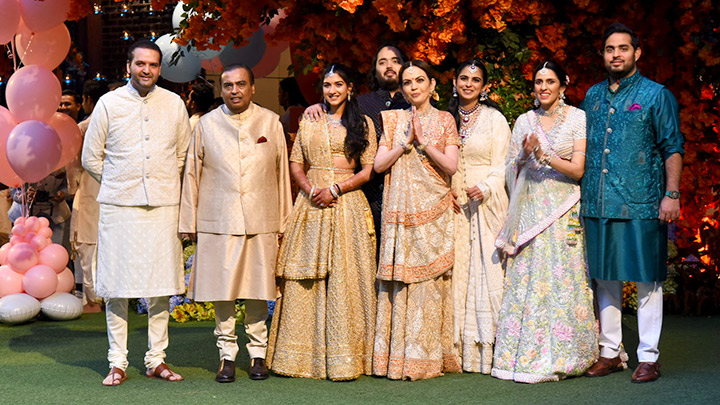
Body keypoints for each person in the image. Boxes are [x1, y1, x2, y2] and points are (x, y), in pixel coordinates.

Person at [82, 39, 191, 386]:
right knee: (117, 288)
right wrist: (120, 182)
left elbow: (182, 155)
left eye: (153, 65)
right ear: (128, 66)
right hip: (119, 206)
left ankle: (156, 359)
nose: (147, 70)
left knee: (160, 288)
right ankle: (117, 361)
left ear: (160, 69)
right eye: (140, 64)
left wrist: (158, 182)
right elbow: (90, 157)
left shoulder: (174, 104)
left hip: (162, 205)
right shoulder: (109, 103)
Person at [581, 23, 684, 383]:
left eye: (623, 48)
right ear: (603, 54)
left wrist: (671, 194)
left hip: (642, 203)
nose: (616, 55)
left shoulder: (657, 95)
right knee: (604, 278)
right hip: (597, 202)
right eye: (610, 49)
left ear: (636, 53)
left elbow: (672, 146)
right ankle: (610, 352)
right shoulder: (592, 97)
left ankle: (649, 356)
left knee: (647, 280)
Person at [179, 64, 292, 383]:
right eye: (228, 85)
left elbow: (281, 174)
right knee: (223, 291)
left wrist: (285, 221)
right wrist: (188, 219)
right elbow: (191, 174)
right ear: (221, 89)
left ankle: (258, 353)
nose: (235, 90)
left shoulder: (270, 121)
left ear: (253, 87)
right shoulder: (206, 125)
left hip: (262, 216)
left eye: (241, 84)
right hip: (217, 219)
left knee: (259, 290)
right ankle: (226, 355)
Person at [267, 64, 378, 381]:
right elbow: (296, 162)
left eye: (339, 85)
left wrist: (335, 189)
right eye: (328, 86)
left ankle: (349, 357)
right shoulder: (310, 120)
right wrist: (311, 189)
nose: (333, 91)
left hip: (347, 205)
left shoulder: (363, 123)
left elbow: (367, 170)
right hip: (312, 203)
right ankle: (299, 357)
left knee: (347, 277)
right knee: (306, 278)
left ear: (350, 88)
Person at [492, 61, 598, 383]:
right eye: (538, 81)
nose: (543, 87)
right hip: (530, 211)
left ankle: (570, 354)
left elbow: (578, 170)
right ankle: (522, 356)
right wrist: (524, 157)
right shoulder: (524, 120)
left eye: (550, 81)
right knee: (529, 281)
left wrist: (544, 155)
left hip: (563, 209)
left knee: (564, 281)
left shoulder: (578, 118)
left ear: (563, 85)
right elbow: (510, 169)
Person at [372, 60, 461, 381]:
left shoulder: (446, 119)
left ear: (432, 86)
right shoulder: (393, 119)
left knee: (430, 283)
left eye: (420, 80)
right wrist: (402, 143)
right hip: (399, 213)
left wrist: (423, 143)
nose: (413, 87)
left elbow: (451, 166)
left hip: (435, 211)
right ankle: (396, 359)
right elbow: (379, 166)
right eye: (408, 82)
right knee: (401, 282)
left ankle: (428, 357)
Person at [306, 45, 409, 244]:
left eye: (395, 61)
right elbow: (334, 113)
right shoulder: (360, 105)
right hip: (368, 194)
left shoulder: (415, 102)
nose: (389, 66)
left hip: (407, 195)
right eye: (382, 62)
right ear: (374, 69)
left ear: (405, 66)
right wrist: (319, 106)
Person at [448, 58, 511, 374]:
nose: (468, 84)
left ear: (484, 87)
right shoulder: (446, 118)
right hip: (454, 204)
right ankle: (456, 350)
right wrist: (449, 191)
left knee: (487, 271)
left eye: (475, 79)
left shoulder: (495, 120)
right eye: (463, 78)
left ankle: (491, 348)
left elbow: (504, 165)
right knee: (458, 272)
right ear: (455, 82)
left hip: (486, 203)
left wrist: (485, 187)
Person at [68, 79, 109, 313]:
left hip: (89, 188)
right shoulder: (114, 123)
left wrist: (71, 189)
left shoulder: (84, 126)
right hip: (112, 189)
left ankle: (93, 300)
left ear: (87, 100)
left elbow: (73, 166)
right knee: (103, 245)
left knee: (87, 245)